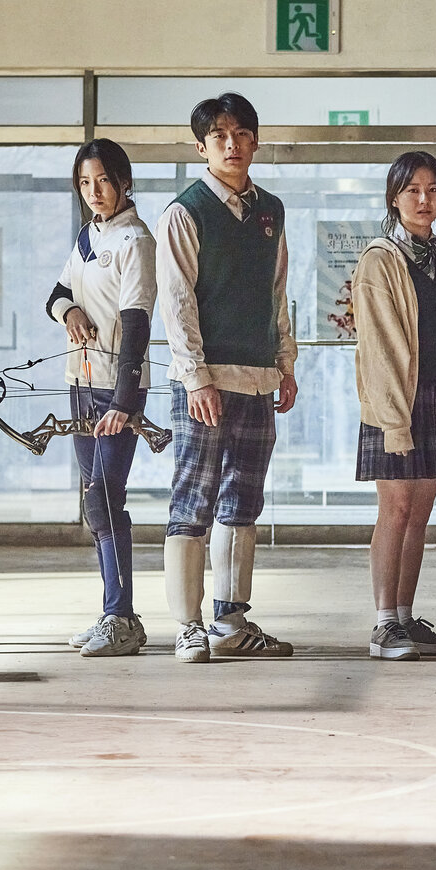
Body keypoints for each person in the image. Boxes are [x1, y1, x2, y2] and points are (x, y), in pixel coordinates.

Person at [155, 93, 298, 664]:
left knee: (244, 500)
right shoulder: (184, 212)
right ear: (201, 147)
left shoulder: (271, 211)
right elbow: (176, 302)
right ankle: (188, 626)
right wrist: (195, 379)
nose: (232, 144)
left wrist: (285, 364)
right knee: (194, 498)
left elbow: (277, 292)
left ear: (256, 141)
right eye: (219, 136)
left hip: (259, 378)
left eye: (242, 134)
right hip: (206, 382)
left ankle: (231, 619)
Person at [352, 152, 436, 660]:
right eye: (413, 191)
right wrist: (392, 419)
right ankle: (384, 623)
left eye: (433, 190)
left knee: (421, 512)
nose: (424, 200)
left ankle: (406, 617)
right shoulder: (379, 260)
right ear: (394, 198)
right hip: (393, 399)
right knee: (396, 509)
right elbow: (380, 349)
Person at [48, 138, 155, 658]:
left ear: (124, 181)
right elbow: (57, 293)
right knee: (95, 498)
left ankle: (123, 617)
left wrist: (124, 402)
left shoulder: (135, 239)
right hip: (79, 381)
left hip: (117, 389)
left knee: (108, 497)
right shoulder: (88, 236)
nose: (95, 192)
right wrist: (69, 313)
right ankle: (112, 610)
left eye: (104, 181)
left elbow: (136, 326)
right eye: (85, 183)